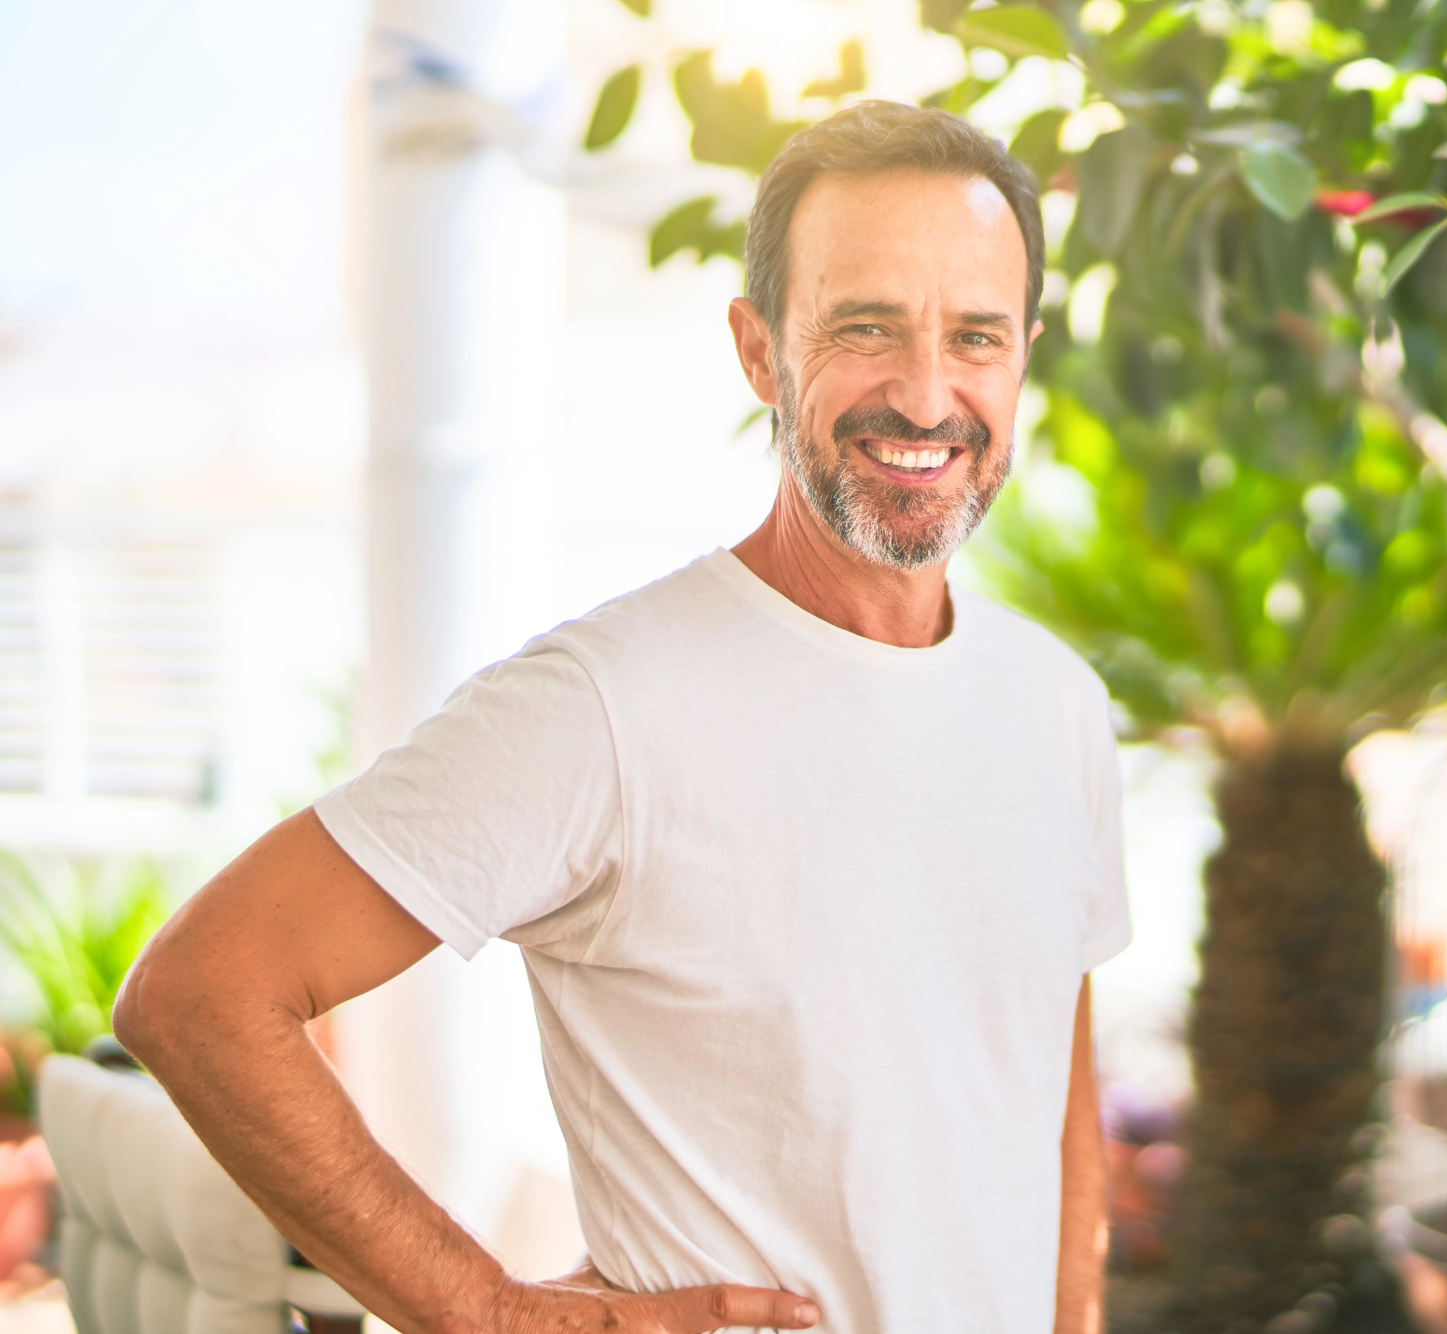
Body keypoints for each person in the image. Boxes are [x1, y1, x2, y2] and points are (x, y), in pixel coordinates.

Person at [114, 102, 1131, 1334]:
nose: (925, 394)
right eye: (865, 327)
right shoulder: (604, 705)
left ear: (1022, 352)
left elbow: (1048, 1091)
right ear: (760, 351)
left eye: (973, 336)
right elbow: (202, 991)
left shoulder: (1057, 704)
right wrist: (481, 1305)